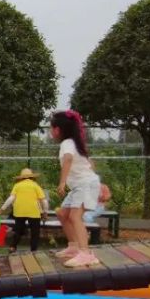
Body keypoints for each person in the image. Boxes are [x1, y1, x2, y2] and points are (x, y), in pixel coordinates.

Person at [51, 110, 101, 267]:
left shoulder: (67, 143)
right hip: (82, 185)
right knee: (62, 213)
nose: (50, 132)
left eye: (51, 128)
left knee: (74, 217)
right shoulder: (75, 143)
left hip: (84, 185)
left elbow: (68, 159)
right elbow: (90, 163)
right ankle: (73, 247)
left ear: (57, 130)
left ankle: (86, 254)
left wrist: (62, 182)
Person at [0, 168, 48, 252]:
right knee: (35, 232)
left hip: (19, 212)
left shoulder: (17, 185)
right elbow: (44, 201)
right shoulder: (35, 186)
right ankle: (33, 250)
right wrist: (45, 212)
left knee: (18, 230)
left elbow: (11, 198)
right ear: (32, 177)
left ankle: (13, 246)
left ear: (21, 178)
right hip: (34, 212)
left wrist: (1, 209)